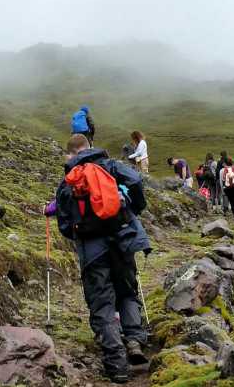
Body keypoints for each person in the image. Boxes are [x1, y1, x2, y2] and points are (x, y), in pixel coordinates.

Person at [55, 134, 151, 383]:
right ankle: (134, 341)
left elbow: (64, 222)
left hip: (92, 249)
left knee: (102, 303)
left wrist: (81, 233)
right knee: (127, 291)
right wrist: (133, 211)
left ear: (72, 153)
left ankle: (117, 364)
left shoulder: (70, 178)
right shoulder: (111, 165)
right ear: (90, 147)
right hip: (122, 240)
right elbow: (136, 180)